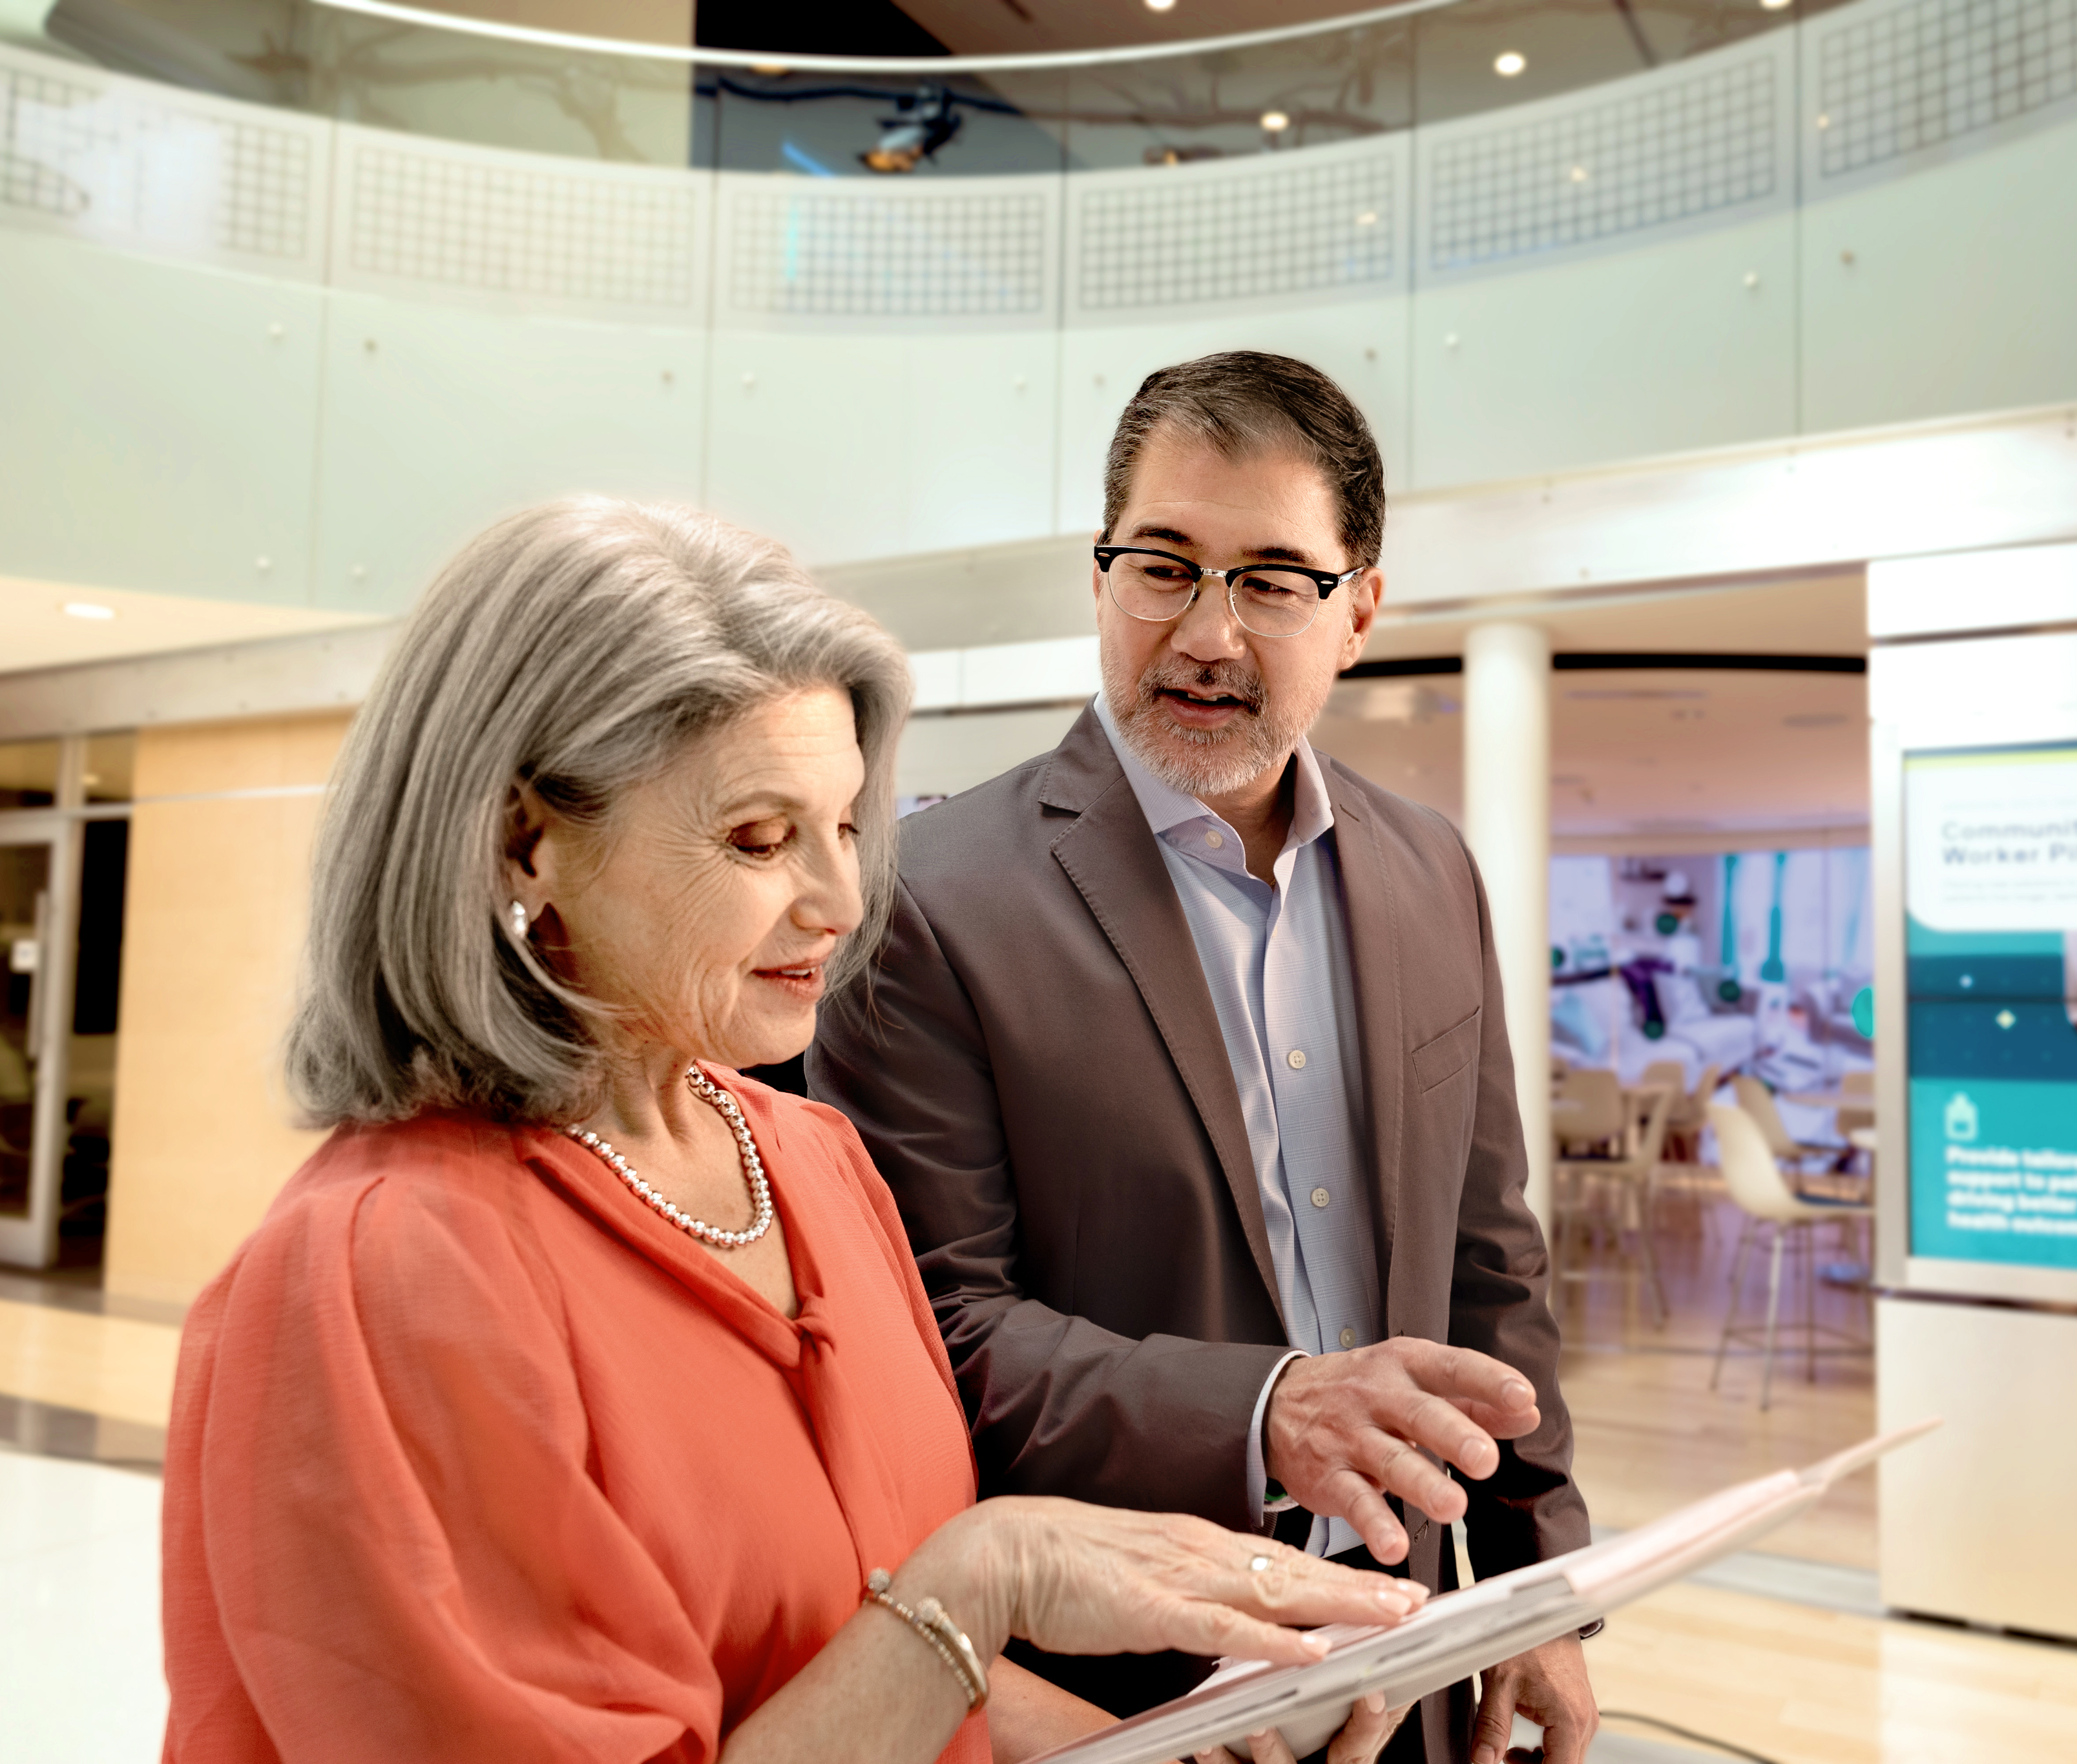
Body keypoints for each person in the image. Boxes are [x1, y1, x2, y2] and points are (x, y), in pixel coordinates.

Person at [160, 499, 1430, 1764]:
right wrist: (983, 1577)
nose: (838, 901)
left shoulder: (805, 1157)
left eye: (842, 829)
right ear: (524, 841)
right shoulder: (381, 1269)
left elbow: (876, 1667)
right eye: (758, 839)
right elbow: (924, 1627)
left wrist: (1160, 1748)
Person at [811, 353, 1596, 1764]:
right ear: (1096, 579)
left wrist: (1532, 1589)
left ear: (1358, 609)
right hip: (1112, 1689)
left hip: (1400, 1651)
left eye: (1272, 579)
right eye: (1161, 567)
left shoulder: (1429, 872)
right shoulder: (923, 899)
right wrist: (1265, 1409)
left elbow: (1489, 1262)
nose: (1206, 635)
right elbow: (941, 1334)